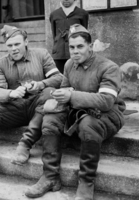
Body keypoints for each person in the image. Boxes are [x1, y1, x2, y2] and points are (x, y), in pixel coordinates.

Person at [26, 24, 125, 199]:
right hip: (79, 111)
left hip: (107, 115)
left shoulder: (108, 67)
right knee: (50, 119)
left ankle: (86, 182)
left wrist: (70, 97)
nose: (75, 51)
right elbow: (65, 88)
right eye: (72, 47)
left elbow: (106, 101)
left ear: (90, 45)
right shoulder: (70, 64)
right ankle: (50, 176)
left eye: (80, 46)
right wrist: (55, 101)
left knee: (88, 124)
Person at [0, 25, 63, 189]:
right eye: (10, 45)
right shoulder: (0, 64)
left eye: (17, 44)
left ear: (26, 41)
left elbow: (58, 78)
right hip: (15, 108)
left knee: (49, 92)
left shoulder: (41, 54)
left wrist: (40, 84)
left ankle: (25, 144)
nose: (13, 49)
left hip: (38, 106)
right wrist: (10, 94)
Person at [50, 0, 89, 73]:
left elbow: (84, 34)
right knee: (60, 77)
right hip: (59, 54)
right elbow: (54, 35)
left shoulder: (82, 14)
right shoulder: (54, 14)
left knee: (76, 75)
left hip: (76, 52)